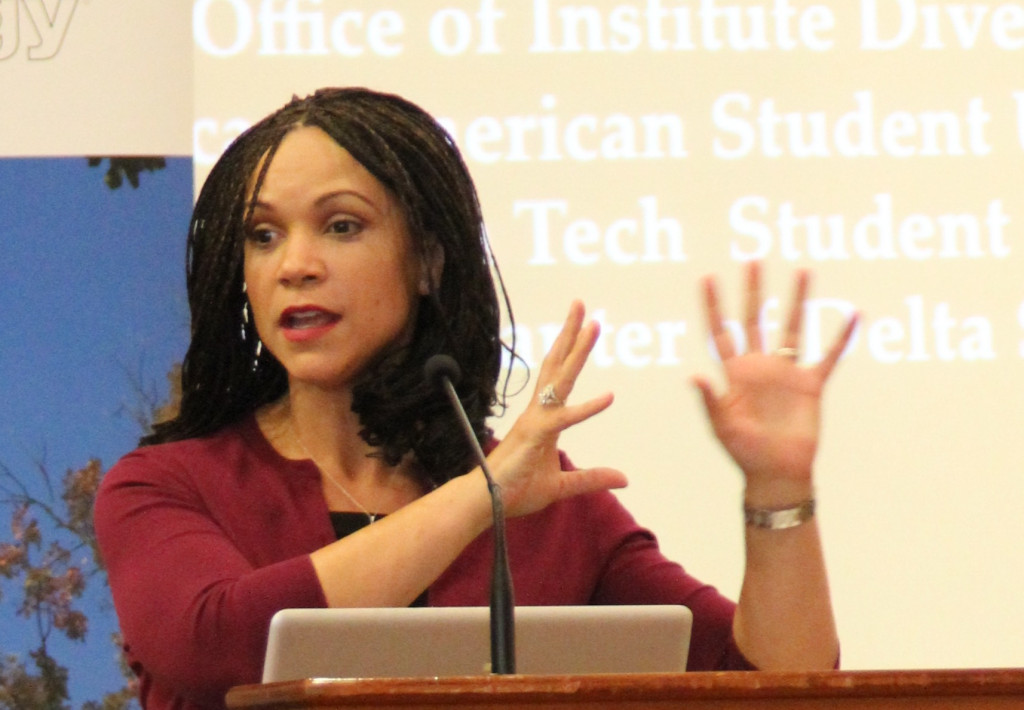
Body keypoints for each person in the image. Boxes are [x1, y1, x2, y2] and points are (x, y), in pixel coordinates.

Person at [93, 87, 856, 710]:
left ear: (427, 261)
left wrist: (779, 486)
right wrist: (477, 498)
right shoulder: (165, 487)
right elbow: (215, 646)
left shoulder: (548, 507)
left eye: (341, 226)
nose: (295, 264)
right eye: (263, 236)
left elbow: (770, 682)